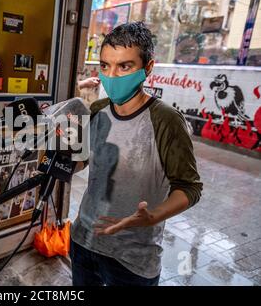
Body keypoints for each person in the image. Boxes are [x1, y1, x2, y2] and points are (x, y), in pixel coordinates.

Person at [71, 22, 203, 286]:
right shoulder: (98, 109)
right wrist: (60, 147)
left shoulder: (166, 120)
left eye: (125, 66)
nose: (112, 76)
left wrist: (153, 216)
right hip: (83, 242)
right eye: (106, 66)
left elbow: (189, 187)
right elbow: (81, 163)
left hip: (132, 260)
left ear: (148, 68)